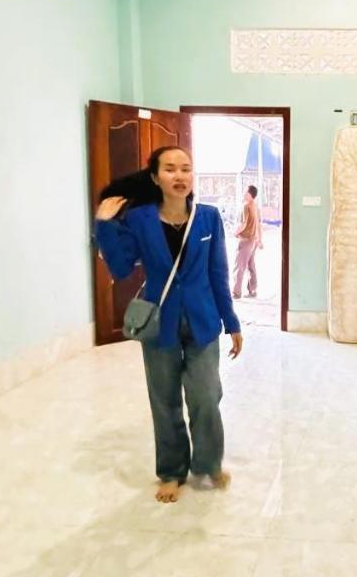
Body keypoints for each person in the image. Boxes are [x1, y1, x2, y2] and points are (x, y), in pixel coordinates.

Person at [95, 145, 243, 503]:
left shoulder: (208, 217)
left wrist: (232, 322)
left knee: (206, 395)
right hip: (160, 321)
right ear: (155, 177)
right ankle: (172, 472)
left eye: (186, 169)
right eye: (170, 169)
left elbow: (218, 273)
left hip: (203, 319)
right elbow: (120, 268)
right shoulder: (140, 220)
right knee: (164, 400)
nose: (180, 176)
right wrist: (104, 225)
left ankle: (208, 463)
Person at [233, 184, 263, 300]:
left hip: (245, 240)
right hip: (253, 240)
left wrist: (236, 232)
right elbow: (259, 225)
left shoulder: (246, 206)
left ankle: (236, 292)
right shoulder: (256, 207)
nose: (244, 193)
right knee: (251, 266)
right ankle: (253, 290)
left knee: (239, 265)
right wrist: (260, 240)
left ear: (250, 195)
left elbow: (244, 223)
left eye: (246, 192)